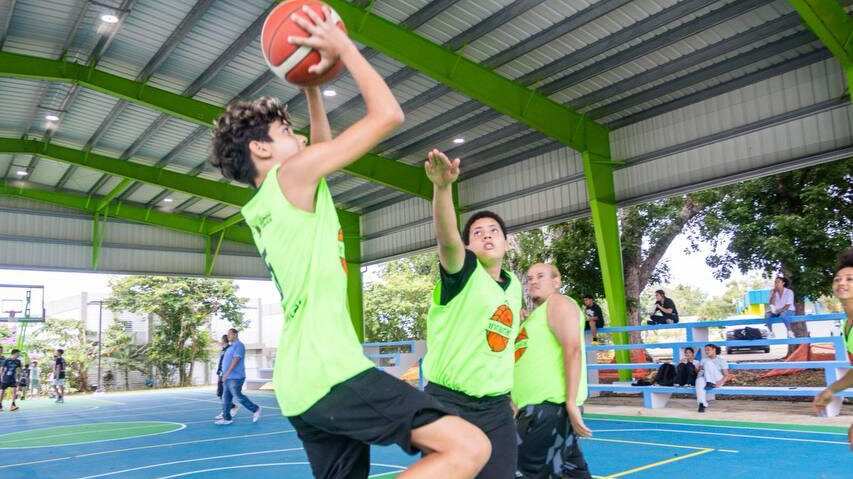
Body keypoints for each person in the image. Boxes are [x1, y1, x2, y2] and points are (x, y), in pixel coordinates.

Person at [209, 6, 489, 477]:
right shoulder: (291, 177)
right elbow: (388, 114)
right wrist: (344, 50)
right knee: (467, 448)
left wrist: (313, 89)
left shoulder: (271, 201)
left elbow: (318, 145)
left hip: (302, 386)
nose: (297, 135)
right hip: (328, 370)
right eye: (284, 131)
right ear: (260, 149)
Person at [422, 148, 523, 479]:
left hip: (495, 408)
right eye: (477, 233)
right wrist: (442, 188)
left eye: (494, 230)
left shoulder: (513, 287)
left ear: (507, 243)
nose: (487, 235)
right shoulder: (461, 271)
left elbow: (503, 345)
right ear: (468, 247)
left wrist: (508, 392)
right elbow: (447, 238)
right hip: (449, 404)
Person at [513, 263, 592, 479]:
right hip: (538, 411)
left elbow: (573, 348)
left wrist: (570, 402)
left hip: (546, 410)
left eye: (540, 276)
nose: (533, 281)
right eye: (529, 278)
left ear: (556, 281)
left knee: (522, 473)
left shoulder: (559, 302)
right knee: (571, 472)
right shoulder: (535, 318)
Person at [813, 248, 853, 449]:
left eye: (850, 279)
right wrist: (831, 390)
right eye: (838, 279)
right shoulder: (847, 325)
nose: (842, 283)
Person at [215, 328, 260, 425]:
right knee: (225, 398)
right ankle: (227, 418)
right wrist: (224, 374)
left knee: (237, 396)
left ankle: (255, 409)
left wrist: (227, 373)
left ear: (235, 334)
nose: (228, 336)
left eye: (229, 334)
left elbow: (236, 360)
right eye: (227, 334)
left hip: (236, 377)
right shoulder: (230, 347)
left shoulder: (239, 345)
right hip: (228, 377)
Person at [696, 344, 729, 413]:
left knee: (708, 363)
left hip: (717, 379)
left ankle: (710, 382)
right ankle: (702, 404)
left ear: (714, 349)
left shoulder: (721, 360)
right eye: (705, 350)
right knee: (699, 381)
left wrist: (720, 382)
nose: (706, 352)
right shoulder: (703, 360)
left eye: (708, 350)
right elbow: (701, 372)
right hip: (706, 379)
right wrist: (697, 368)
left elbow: (726, 375)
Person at [214, 334, 237, 421]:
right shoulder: (223, 349)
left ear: (224, 340)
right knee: (220, 393)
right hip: (221, 373)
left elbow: (229, 363)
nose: (220, 341)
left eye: (221, 339)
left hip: (225, 374)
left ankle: (226, 411)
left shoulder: (229, 349)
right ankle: (231, 407)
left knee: (223, 393)